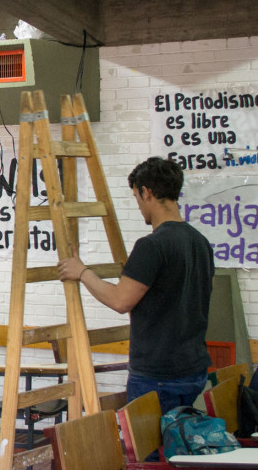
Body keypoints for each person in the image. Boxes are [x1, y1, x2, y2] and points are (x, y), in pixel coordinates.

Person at [57, 156, 214, 413]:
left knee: (149, 452)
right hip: (193, 369)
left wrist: (82, 272)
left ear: (147, 192)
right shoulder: (200, 242)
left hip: (159, 375)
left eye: (136, 197)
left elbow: (121, 300)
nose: (139, 206)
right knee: (183, 448)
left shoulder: (152, 246)